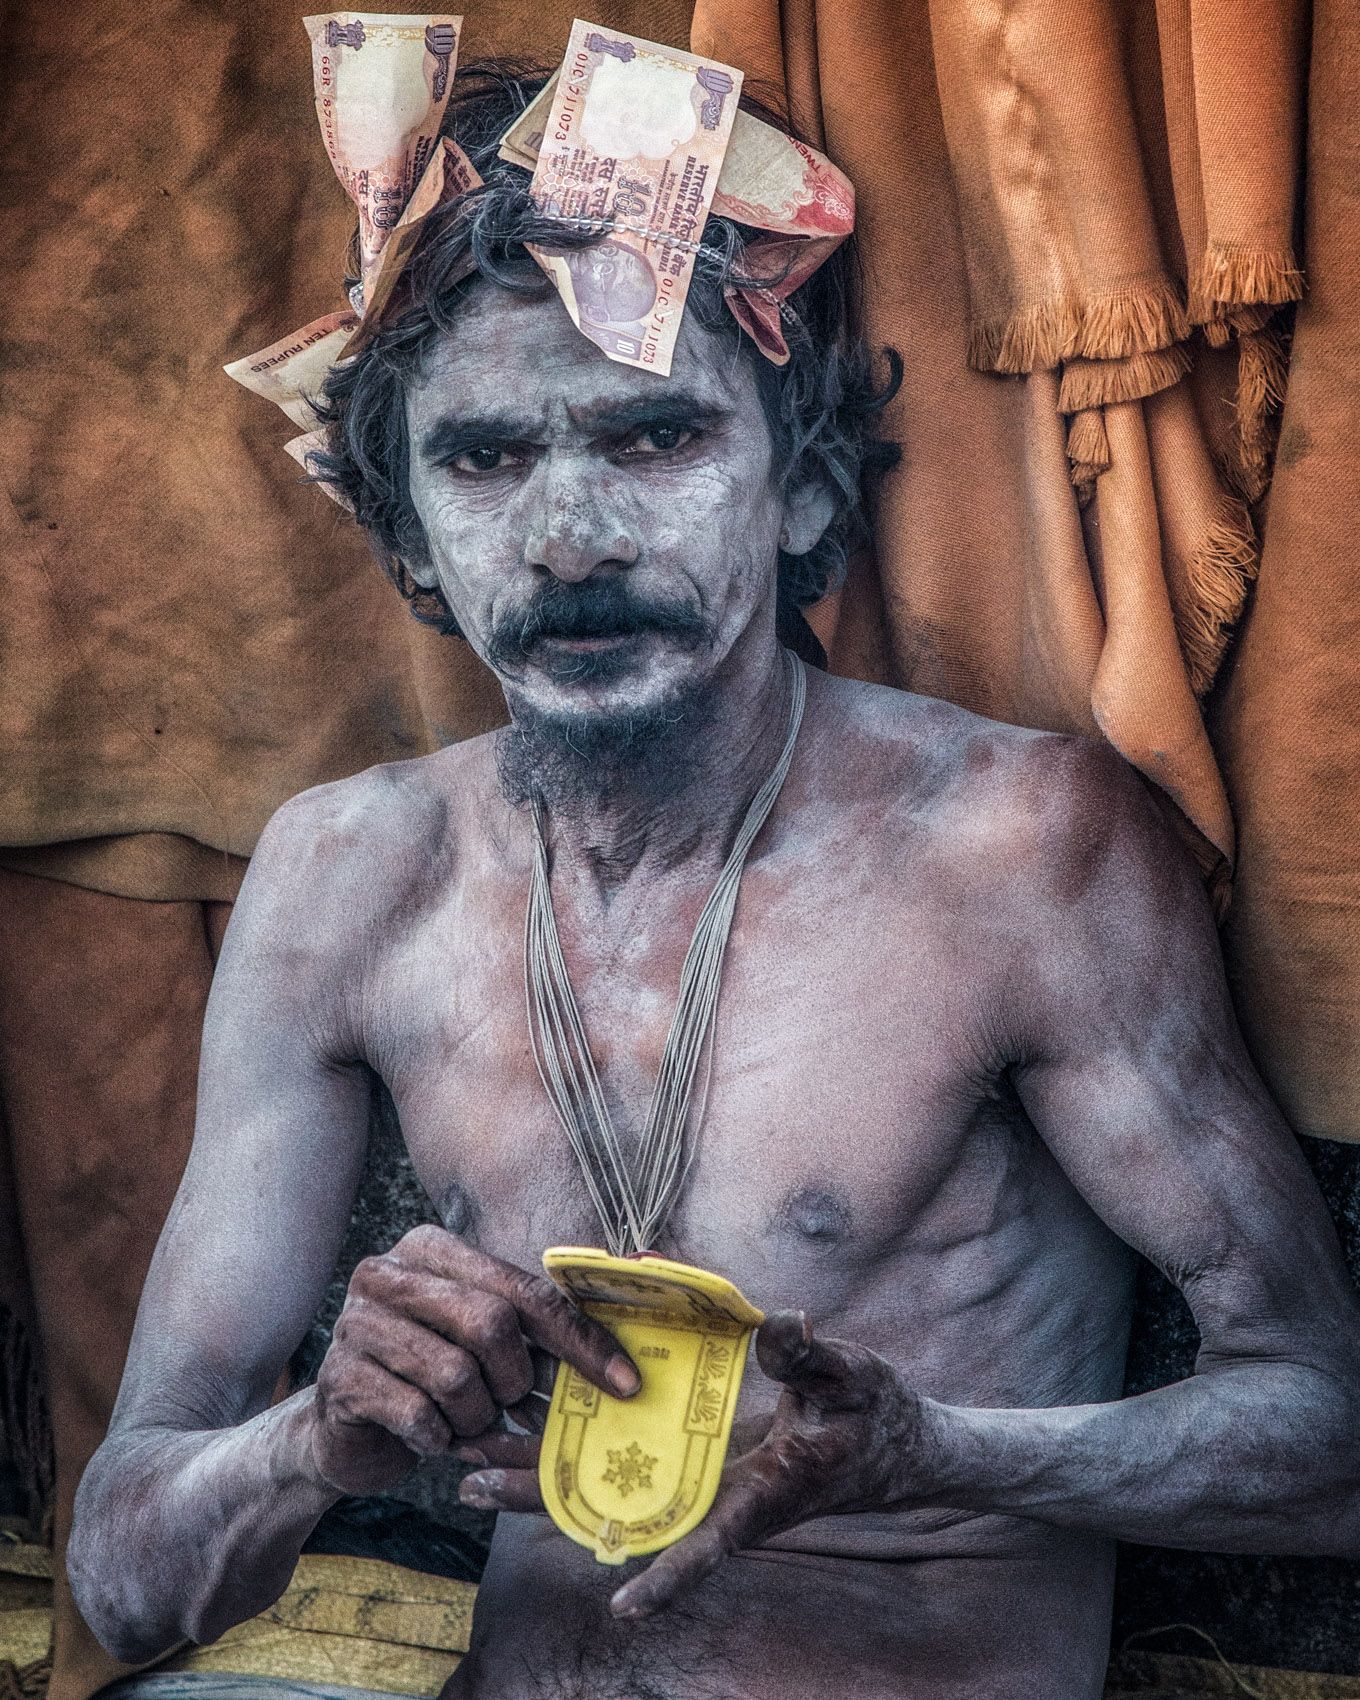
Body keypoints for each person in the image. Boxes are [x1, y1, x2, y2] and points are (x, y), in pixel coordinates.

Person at [69, 64, 1360, 1700]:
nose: (572, 536)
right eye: (479, 462)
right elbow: (124, 1583)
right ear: (405, 541)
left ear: (804, 485)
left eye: (656, 432)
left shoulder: (1015, 847)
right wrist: (314, 1443)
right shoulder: (347, 877)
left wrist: (930, 1453)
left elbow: (1332, 1448)